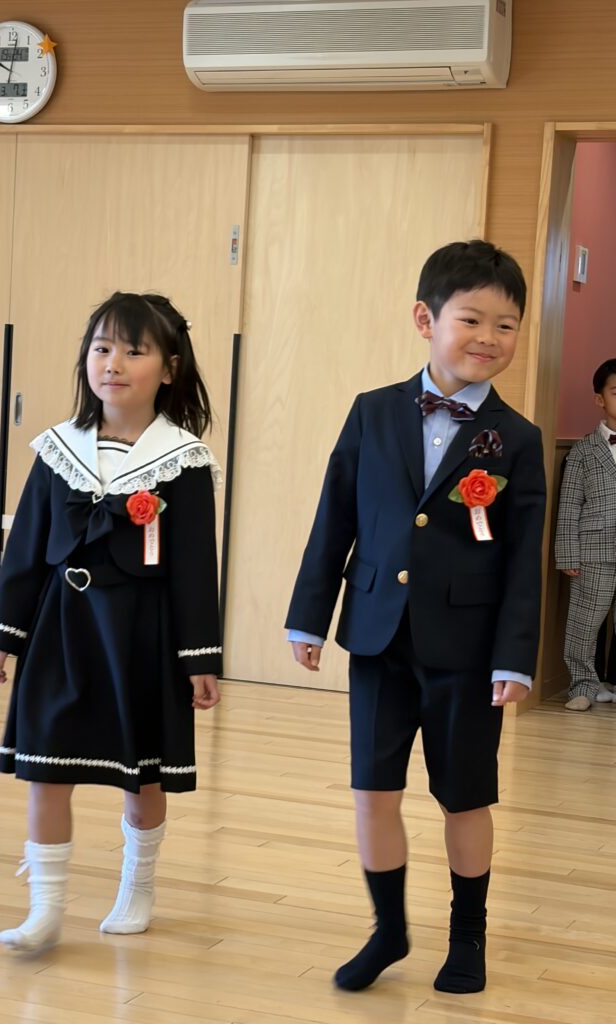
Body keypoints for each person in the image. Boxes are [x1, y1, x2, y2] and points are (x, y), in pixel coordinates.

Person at [286, 240, 546, 994]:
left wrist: (515, 656)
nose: (489, 338)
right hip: (377, 635)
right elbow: (335, 517)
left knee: (466, 793)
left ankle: (468, 937)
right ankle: (388, 930)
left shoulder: (517, 439)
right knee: (373, 789)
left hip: (469, 649)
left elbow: (521, 559)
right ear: (426, 319)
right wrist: (309, 616)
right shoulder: (372, 412)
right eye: (472, 320)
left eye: (506, 325)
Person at [0, 291, 222, 952]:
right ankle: (45, 909)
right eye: (102, 348)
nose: (112, 363)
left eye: (133, 351)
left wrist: (200, 657)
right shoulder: (58, 448)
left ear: (169, 369)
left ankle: (138, 886)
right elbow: (25, 551)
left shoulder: (184, 460)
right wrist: (4, 632)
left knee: (142, 775)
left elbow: (195, 568)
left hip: (142, 638)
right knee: (45, 767)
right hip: (62, 628)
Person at [555, 358, 616, 711]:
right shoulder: (582, 451)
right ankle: (582, 685)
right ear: (599, 399)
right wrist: (568, 553)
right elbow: (569, 506)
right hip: (594, 549)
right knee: (584, 620)